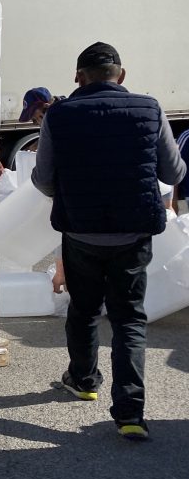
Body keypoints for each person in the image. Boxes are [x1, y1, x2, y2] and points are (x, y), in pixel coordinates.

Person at [31, 42, 186, 441]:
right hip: (133, 232)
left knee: (83, 310)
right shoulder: (150, 109)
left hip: (81, 231)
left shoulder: (60, 115)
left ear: (78, 76)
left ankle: (83, 380)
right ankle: (130, 414)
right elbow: (174, 169)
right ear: (122, 74)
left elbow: (43, 178)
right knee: (129, 317)